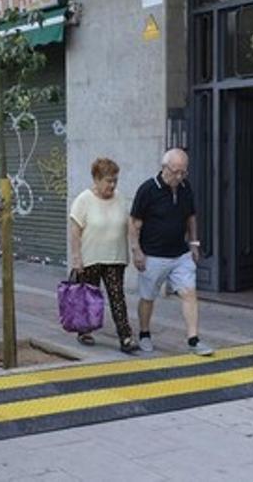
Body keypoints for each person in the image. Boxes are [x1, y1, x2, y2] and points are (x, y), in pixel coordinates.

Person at [129, 149, 213, 356]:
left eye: (183, 172)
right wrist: (136, 251)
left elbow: (191, 216)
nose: (179, 177)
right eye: (176, 172)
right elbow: (134, 223)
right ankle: (145, 334)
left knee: (189, 293)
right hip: (153, 255)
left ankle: (193, 339)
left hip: (180, 255)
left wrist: (194, 243)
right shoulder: (148, 189)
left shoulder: (185, 187)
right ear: (164, 167)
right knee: (148, 297)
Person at [68, 157, 138, 353]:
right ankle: (85, 331)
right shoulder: (83, 199)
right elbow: (75, 231)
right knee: (90, 296)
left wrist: (135, 248)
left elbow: (129, 224)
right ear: (96, 179)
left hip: (115, 256)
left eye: (115, 180)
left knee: (117, 297)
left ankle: (125, 337)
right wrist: (76, 258)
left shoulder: (120, 197)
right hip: (90, 257)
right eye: (108, 180)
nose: (113, 184)